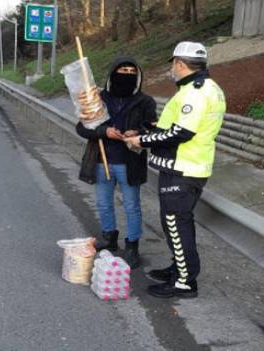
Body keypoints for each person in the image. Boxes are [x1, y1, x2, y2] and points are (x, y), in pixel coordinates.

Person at [125, 41, 225, 298]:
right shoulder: (209, 88)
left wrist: (141, 141)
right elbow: (181, 125)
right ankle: (179, 268)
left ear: (180, 64)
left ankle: (185, 281)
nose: (172, 70)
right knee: (177, 223)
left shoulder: (194, 92)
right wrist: (151, 128)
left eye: (173, 65)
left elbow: (181, 133)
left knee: (175, 223)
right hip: (190, 165)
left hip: (184, 167)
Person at [75, 57, 157, 268]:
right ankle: (109, 237)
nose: (127, 74)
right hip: (102, 160)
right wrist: (104, 131)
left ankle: (132, 246)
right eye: (123, 69)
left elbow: (153, 127)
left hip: (129, 163)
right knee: (103, 203)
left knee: (131, 206)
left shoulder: (145, 102)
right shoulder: (98, 99)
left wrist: (137, 132)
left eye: (131, 71)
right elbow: (82, 127)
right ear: (113, 72)